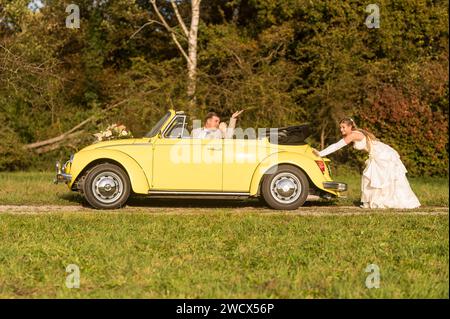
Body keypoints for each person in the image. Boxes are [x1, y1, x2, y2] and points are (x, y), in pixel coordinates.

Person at [313, 118, 420, 209]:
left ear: (350, 127)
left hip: (381, 154)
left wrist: (320, 153)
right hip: (377, 154)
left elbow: (337, 145)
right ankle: (377, 201)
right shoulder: (354, 134)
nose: (341, 129)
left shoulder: (353, 135)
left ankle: (384, 201)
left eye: (343, 127)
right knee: (374, 178)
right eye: (340, 127)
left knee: (382, 178)